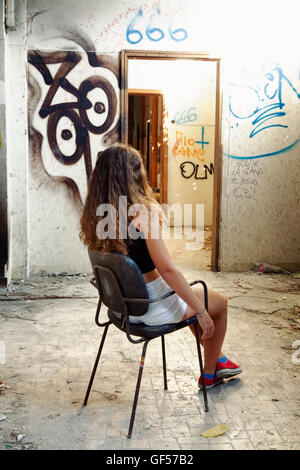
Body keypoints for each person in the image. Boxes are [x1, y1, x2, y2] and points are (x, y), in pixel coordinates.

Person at [80, 143, 242, 390]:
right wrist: (201, 312)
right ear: (134, 176)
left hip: (123, 305)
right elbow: (167, 271)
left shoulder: (97, 215)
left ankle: (218, 358)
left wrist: (194, 305)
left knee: (192, 298)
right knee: (216, 304)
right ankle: (210, 373)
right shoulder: (143, 213)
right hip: (152, 304)